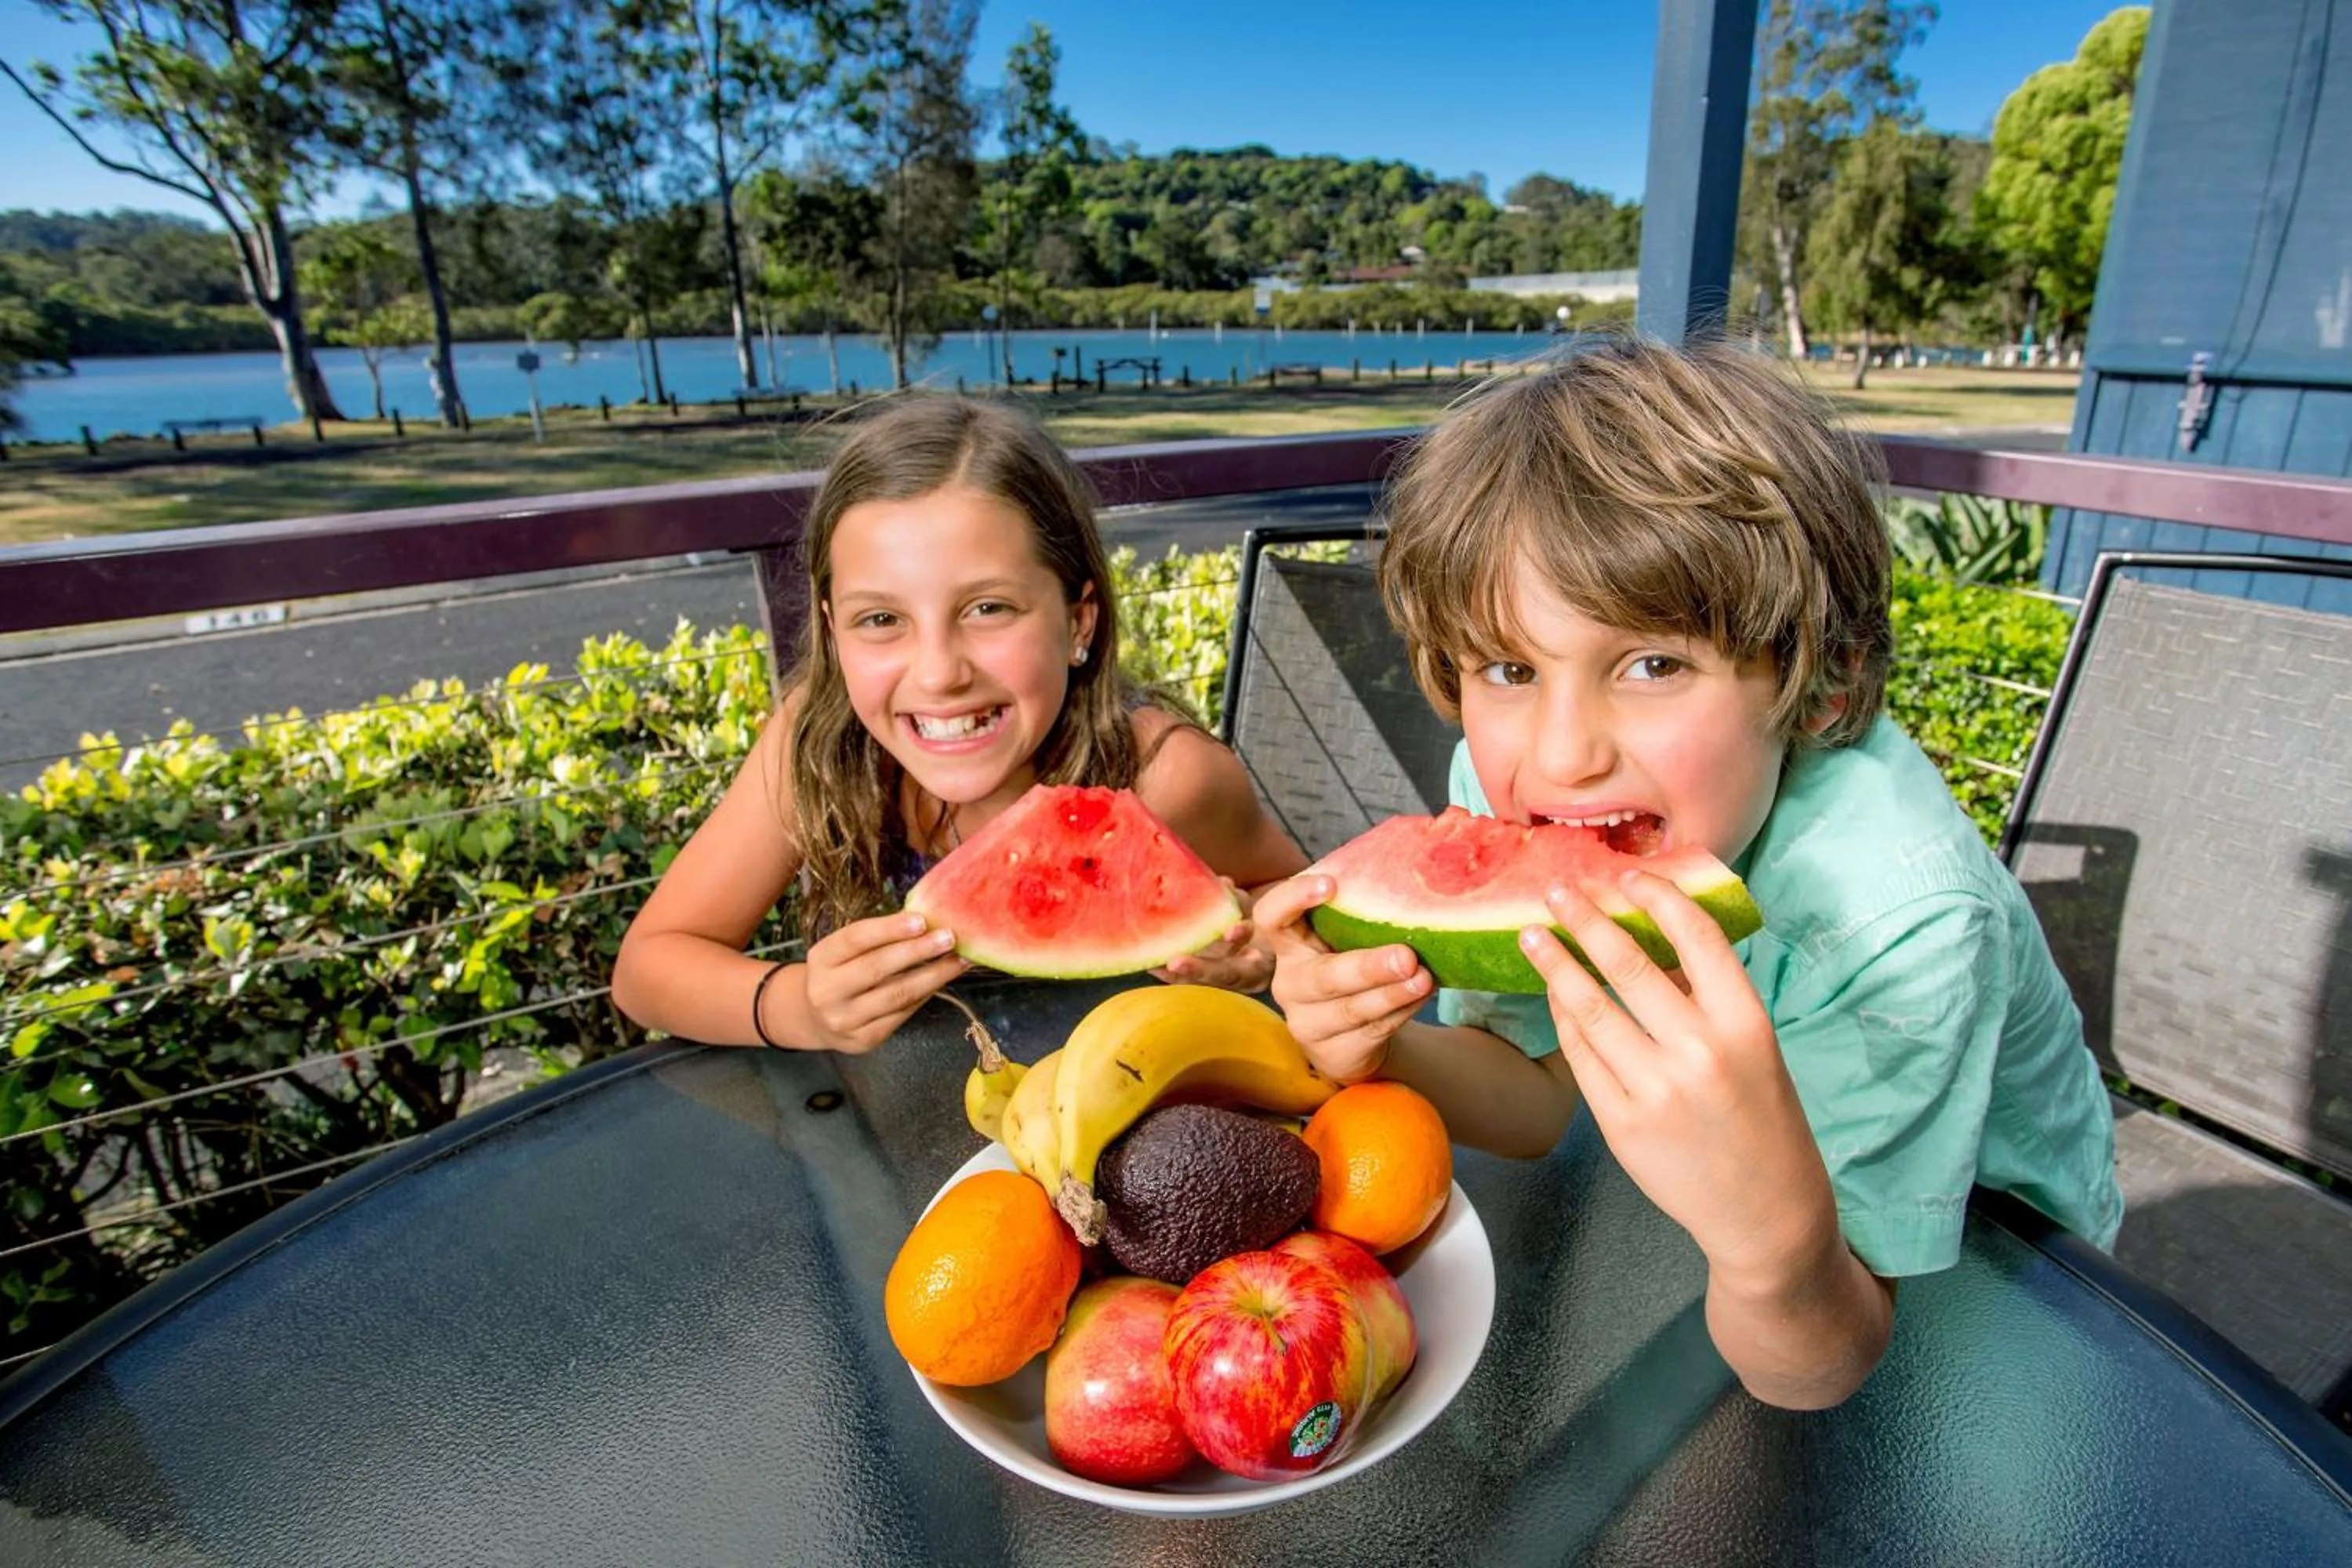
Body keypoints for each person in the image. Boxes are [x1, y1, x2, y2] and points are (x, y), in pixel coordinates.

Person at [1256, 337, 2122, 1410]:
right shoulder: (1503, 787)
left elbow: (1824, 1365)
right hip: (1712, 1218)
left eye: (1653, 664)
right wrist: (1378, 1041)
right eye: (1512, 669)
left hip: (2005, 1275)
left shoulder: (1902, 919)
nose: (1564, 755)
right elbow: (1533, 1101)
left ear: (1823, 683)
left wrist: (1771, 1242)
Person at [612, 395, 1306, 1054]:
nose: (939, 672)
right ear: (833, 633)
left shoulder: (1163, 776)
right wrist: (799, 1008)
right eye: (881, 620)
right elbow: (647, 969)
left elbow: (1297, 910)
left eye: (988, 609)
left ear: (1078, 622)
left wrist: (1257, 953)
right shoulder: (815, 744)